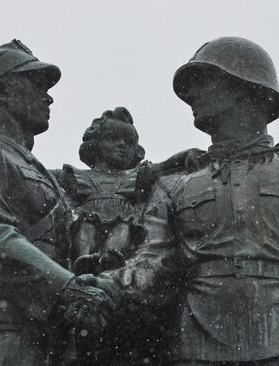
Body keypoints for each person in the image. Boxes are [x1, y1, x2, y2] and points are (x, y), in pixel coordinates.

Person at [89, 37, 279, 366]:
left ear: (243, 87)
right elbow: (153, 264)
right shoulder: (172, 184)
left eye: (202, 82)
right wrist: (104, 286)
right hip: (198, 349)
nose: (190, 96)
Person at [0, 40, 115, 366]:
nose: (48, 96)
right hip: (0, 329)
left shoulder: (38, 170)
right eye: (36, 83)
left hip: (49, 332)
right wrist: (67, 288)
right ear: (2, 89)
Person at [54, 106, 200, 365]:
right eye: (113, 139)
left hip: (125, 243)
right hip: (86, 235)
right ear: (95, 145)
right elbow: (41, 177)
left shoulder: (139, 177)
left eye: (129, 141)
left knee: (124, 230)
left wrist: (187, 155)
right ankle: (86, 265)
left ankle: (112, 267)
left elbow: (167, 165)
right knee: (83, 225)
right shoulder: (75, 178)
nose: (122, 145)